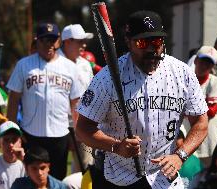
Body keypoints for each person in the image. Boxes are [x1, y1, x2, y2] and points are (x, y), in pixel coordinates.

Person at [76, 10, 208, 188]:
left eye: (157, 41)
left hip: (164, 177)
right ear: (128, 42)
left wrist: (180, 155)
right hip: (119, 177)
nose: (151, 48)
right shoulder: (107, 78)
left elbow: (201, 122)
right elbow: (83, 129)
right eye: (142, 42)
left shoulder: (182, 73)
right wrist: (116, 146)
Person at [6, 23, 83, 180]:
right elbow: (13, 99)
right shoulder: (24, 65)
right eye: (44, 40)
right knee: (32, 178)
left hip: (60, 135)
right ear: (37, 41)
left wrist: (77, 133)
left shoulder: (70, 67)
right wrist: (14, 131)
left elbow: (76, 103)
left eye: (52, 40)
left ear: (58, 41)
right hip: (31, 134)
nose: (49, 44)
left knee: (57, 180)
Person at [59, 24, 94, 173]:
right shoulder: (54, 62)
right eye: (80, 41)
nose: (84, 45)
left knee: (85, 168)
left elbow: (92, 93)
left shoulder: (85, 65)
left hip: (83, 122)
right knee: (57, 168)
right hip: (58, 125)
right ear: (67, 42)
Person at [183, 46, 217, 168]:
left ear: (213, 66)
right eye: (203, 60)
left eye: (209, 63)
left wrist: (185, 109)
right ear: (195, 60)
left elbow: (211, 111)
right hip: (187, 141)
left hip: (210, 142)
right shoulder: (183, 81)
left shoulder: (215, 82)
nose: (205, 65)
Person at [0, 121, 25, 189]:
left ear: (20, 143)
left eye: (14, 140)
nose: (11, 145)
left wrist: (25, 162)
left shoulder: (28, 165)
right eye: (6, 140)